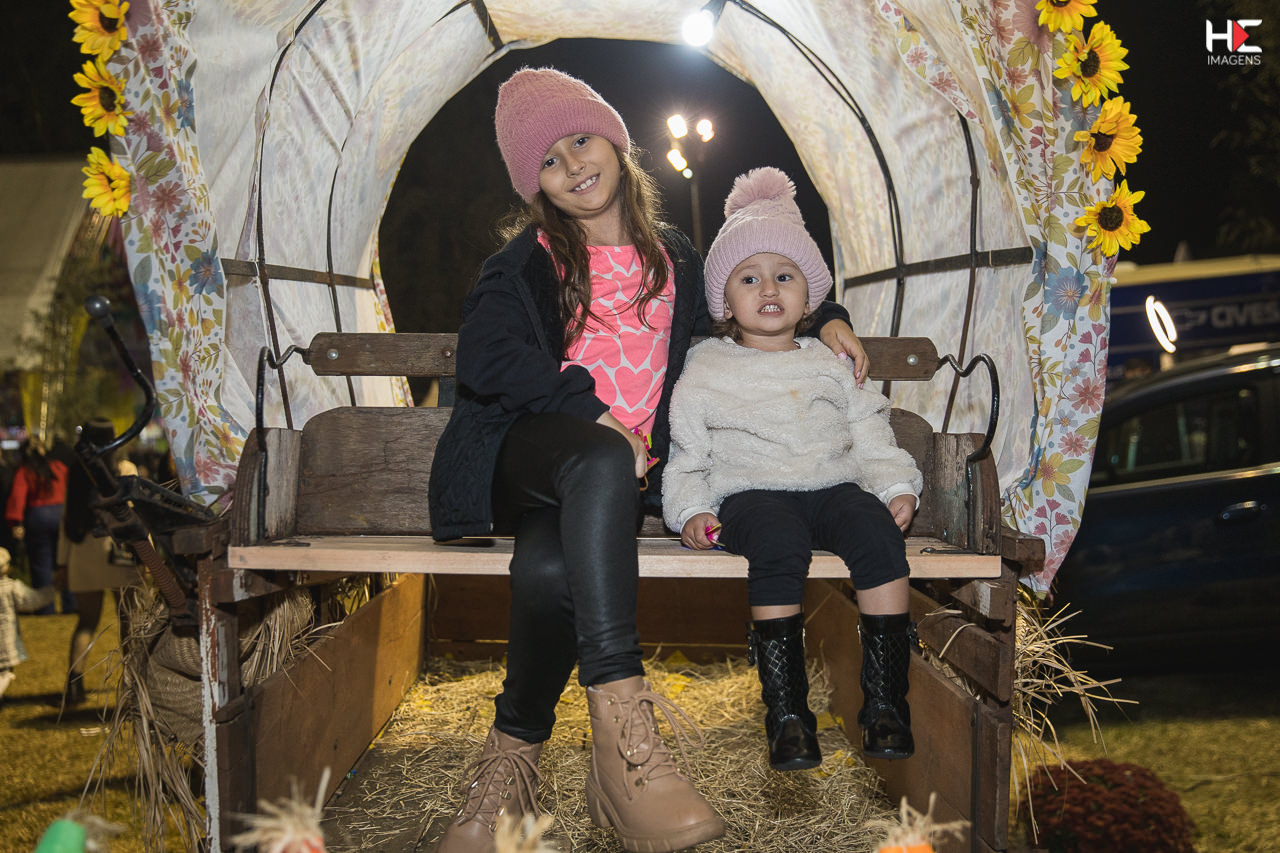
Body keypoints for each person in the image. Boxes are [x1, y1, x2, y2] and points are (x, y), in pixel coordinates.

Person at [426, 69, 867, 853]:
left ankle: (508, 766)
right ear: (535, 185)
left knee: (548, 571)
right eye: (549, 161)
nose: (573, 164)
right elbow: (487, 356)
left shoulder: (676, 259)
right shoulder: (527, 260)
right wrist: (591, 409)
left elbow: (751, 295)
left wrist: (825, 313)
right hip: (531, 453)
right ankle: (628, 738)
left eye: (581, 140)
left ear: (616, 142)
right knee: (599, 453)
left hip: (609, 488)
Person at [663, 167, 922, 770]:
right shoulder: (707, 366)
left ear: (810, 299)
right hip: (751, 493)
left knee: (878, 537)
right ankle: (787, 715)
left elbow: (868, 428)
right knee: (778, 547)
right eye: (748, 278)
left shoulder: (829, 360)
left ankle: (886, 704)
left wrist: (895, 484)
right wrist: (691, 509)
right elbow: (688, 449)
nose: (768, 288)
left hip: (832, 486)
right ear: (724, 302)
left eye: (785, 276)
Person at [57, 418, 141, 706]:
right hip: (119, 553)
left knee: (86, 621)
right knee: (129, 621)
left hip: (84, 553)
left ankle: (74, 684)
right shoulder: (124, 469)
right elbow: (135, 516)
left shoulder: (76, 471)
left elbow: (66, 518)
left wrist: (62, 562)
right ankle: (134, 685)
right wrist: (147, 554)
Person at [5, 436, 71, 615]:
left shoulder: (25, 471)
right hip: (61, 515)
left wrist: (16, 522)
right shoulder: (59, 467)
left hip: (38, 517)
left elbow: (18, 496)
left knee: (41, 563)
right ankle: (71, 603)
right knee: (66, 561)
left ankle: (45, 607)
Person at [0, 546, 57, 706]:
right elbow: (32, 600)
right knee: (5, 672)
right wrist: (52, 590)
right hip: (5, 638)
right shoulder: (11, 587)